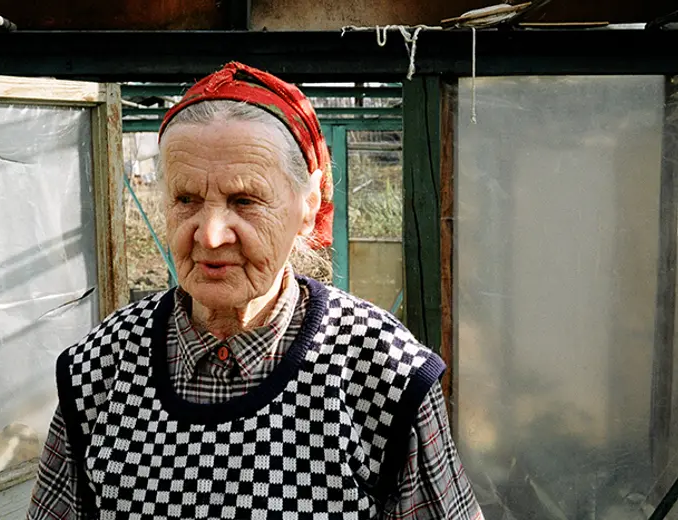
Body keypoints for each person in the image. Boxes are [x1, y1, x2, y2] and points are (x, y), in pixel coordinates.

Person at [28, 61, 483, 520]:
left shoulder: (384, 373)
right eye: (186, 199)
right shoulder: (99, 370)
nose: (210, 235)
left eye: (245, 200)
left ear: (308, 207)